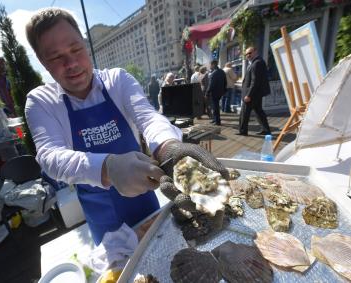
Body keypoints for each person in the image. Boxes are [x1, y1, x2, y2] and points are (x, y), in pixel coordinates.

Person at [24, 8, 228, 245]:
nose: (71, 63)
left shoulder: (117, 80)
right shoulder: (41, 102)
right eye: (56, 57)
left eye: (76, 49)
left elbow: (148, 117)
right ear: (42, 62)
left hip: (145, 195)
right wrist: (108, 168)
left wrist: (168, 147)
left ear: (85, 45)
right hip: (100, 214)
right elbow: (50, 157)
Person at [237, 47, 271, 136]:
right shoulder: (255, 62)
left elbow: (255, 81)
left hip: (252, 94)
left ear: (255, 51)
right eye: (246, 54)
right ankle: (266, 130)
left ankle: (243, 131)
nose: (248, 55)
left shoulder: (257, 63)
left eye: (250, 53)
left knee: (244, 112)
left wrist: (249, 95)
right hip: (256, 93)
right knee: (259, 111)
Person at [207, 60, 227, 126]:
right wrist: (224, 90)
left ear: (213, 65)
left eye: (210, 65)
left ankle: (217, 121)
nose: (210, 66)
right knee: (216, 106)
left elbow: (211, 85)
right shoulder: (222, 71)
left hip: (214, 92)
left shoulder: (214, 73)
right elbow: (225, 82)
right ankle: (215, 119)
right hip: (220, 92)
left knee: (215, 107)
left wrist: (207, 92)